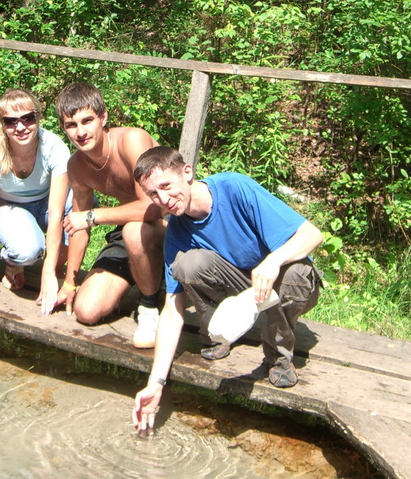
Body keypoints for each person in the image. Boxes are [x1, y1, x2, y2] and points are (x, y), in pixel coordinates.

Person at [130, 147, 324, 436]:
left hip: (282, 280)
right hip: (241, 285)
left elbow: (313, 234)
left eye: (166, 186)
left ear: (187, 173)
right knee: (189, 264)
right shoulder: (177, 230)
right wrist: (155, 382)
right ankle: (219, 335)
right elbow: (172, 311)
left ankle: (278, 355)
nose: (164, 199)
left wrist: (272, 261)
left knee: (295, 274)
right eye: (153, 195)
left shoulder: (234, 188)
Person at [54, 82, 165, 348]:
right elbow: (78, 225)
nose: (81, 132)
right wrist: (69, 282)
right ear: (64, 129)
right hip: (128, 233)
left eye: (87, 121)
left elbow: (152, 207)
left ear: (103, 117)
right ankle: (146, 278)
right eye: (71, 125)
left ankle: (149, 307)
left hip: (170, 227)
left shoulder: (131, 141)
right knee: (87, 311)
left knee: (134, 231)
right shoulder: (77, 166)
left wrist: (93, 215)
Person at [0, 89, 84, 315]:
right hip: (9, 207)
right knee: (28, 250)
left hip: (45, 204)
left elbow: (56, 214)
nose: (20, 127)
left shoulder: (53, 147)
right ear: (2, 124)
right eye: (11, 121)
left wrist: (48, 272)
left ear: (38, 117)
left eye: (28, 118)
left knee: (81, 203)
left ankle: (54, 272)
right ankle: (15, 261)